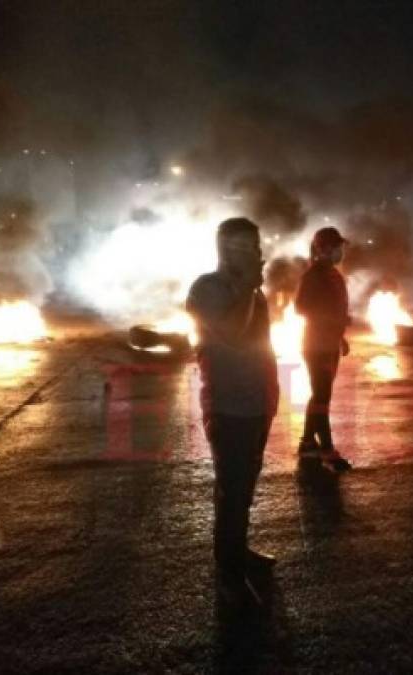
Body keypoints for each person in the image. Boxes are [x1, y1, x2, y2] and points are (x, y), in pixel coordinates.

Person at [186, 217, 279, 610]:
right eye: (241, 247)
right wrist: (247, 286)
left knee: (245, 488)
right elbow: (235, 334)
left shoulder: (254, 293)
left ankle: (238, 553)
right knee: (233, 490)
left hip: (257, 404)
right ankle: (229, 575)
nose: (252, 254)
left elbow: (262, 344)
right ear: (223, 249)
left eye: (254, 246)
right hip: (228, 406)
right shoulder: (207, 288)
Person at [294, 226, 352, 472]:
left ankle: (308, 442)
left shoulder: (334, 275)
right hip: (316, 345)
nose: (338, 251)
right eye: (332, 246)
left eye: (338, 246)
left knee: (320, 395)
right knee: (322, 396)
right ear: (319, 249)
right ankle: (327, 449)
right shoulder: (313, 276)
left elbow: (337, 310)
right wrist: (331, 321)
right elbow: (300, 307)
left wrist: (341, 336)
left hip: (329, 344)